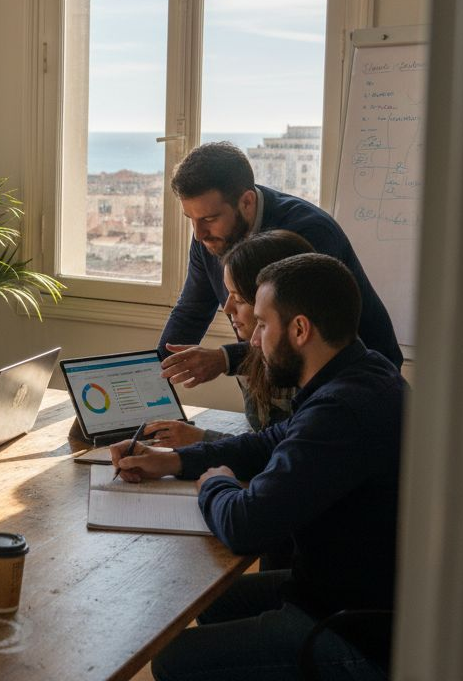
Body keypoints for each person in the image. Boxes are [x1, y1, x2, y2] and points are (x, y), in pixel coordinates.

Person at [114, 253, 406, 680]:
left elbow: (246, 525)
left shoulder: (341, 411)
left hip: (356, 633)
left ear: (300, 329)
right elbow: (272, 441)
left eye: (264, 325)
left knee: (175, 660)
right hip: (348, 593)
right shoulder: (364, 372)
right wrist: (175, 460)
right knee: (210, 599)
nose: (253, 340)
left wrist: (216, 485)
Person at [157, 141, 403, 395]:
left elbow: (308, 337)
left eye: (209, 219)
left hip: (355, 386)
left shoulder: (309, 232)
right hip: (281, 377)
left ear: (247, 202)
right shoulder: (210, 238)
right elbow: (190, 313)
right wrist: (149, 381)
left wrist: (224, 359)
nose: (198, 235)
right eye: (192, 220)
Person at [146, 230, 314, 448]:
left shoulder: (314, 379)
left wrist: (200, 441)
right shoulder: (265, 353)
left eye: (238, 299)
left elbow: (283, 452)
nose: (226, 308)